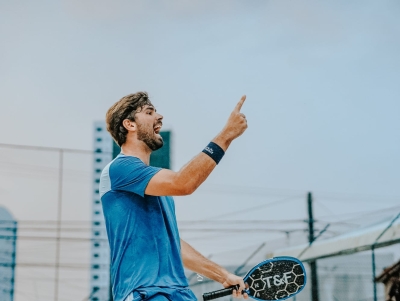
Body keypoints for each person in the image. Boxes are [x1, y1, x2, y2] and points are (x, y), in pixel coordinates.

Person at [100, 91, 249, 301]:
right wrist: (225, 136)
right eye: (150, 112)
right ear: (130, 124)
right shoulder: (119, 169)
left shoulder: (159, 190)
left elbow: (173, 245)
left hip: (178, 293)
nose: (159, 116)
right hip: (144, 292)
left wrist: (222, 275)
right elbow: (183, 183)